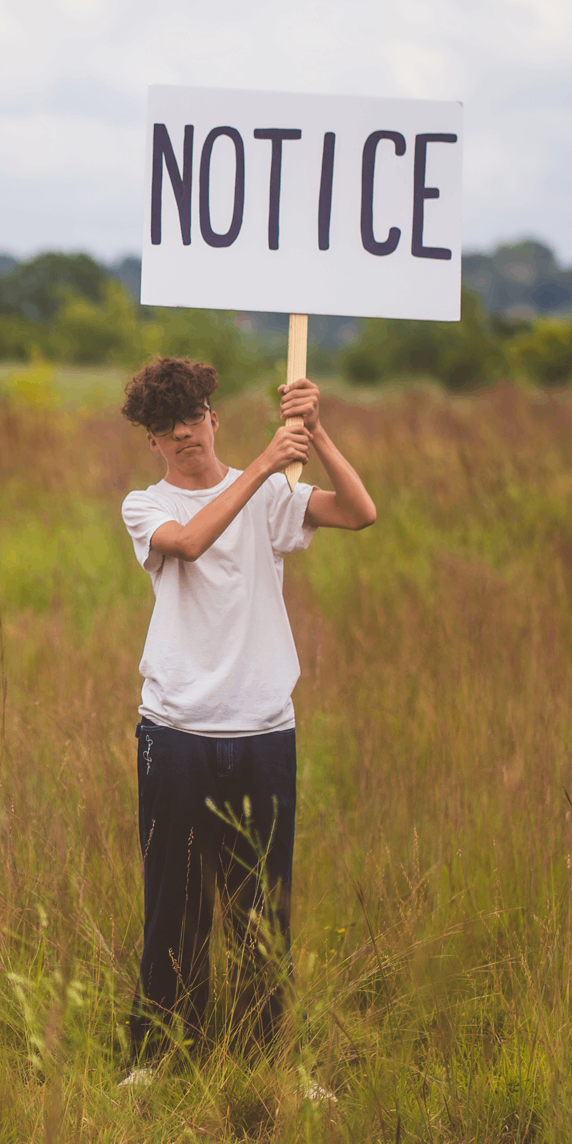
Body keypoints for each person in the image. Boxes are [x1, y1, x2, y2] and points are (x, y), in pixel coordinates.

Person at [119, 355, 376, 1060]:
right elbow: (192, 543)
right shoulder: (146, 507)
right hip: (174, 729)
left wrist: (315, 434)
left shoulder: (269, 494)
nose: (183, 435)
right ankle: (159, 1055)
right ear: (151, 440)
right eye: (165, 427)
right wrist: (265, 463)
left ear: (213, 416)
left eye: (192, 418)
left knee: (263, 906)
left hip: (262, 727)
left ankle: (267, 1060)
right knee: (174, 901)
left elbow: (360, 513)